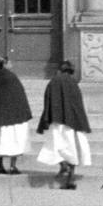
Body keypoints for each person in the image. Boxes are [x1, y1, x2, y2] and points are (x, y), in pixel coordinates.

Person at [35, 60, 91, 189]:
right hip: (73, 123)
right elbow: (78, 105)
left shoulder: (53, 82)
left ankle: (63, 165)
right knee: (73, 150)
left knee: (54, 147)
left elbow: (48, 102)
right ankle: (70, 178)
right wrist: (82, 123)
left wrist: (45, 120)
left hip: (58, 121)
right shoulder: (73, 84)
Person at [0, 57, 32, 174]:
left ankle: (0, 165)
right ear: (5, 64)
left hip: (1, 115)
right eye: (9, 62)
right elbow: (19, 94)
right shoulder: (11, 77)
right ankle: (12, 166)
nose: (11, 64)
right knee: (15, 140)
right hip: (14, 115)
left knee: (1, 141)